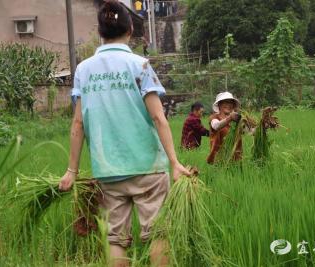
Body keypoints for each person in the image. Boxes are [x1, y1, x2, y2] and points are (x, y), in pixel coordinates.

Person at [58, 1, 191, 266]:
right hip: (148, 170)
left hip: (108, 170)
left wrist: (71, 171)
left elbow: (78, 124)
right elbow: (157, 116)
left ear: (100, 31)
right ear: (130, 29)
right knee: (158, 233)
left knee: (115, 240)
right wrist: (175, 163)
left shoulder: (84, 70)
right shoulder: (139, 65)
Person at [206, 92, 241, 164]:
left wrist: (262, 126)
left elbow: (248, 131)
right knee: (222, 174)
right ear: (219, 105)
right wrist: (230, 118)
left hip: (235, 158)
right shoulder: (214, 117)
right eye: (225, 102)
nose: (229, 105)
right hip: (219, 158)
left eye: (231, 102)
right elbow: (216, 126)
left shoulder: (236, 120)